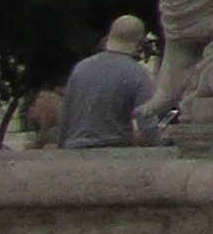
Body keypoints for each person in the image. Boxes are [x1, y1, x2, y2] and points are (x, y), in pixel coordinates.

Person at [58, 17, 165, 150]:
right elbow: (146, 122)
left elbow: (66, 116)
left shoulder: (80, 68)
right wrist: (159, 144)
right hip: (114, 150)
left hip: (74, 149)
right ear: (139, 44)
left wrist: (61, 149)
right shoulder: (138, 73)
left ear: (108, 38)